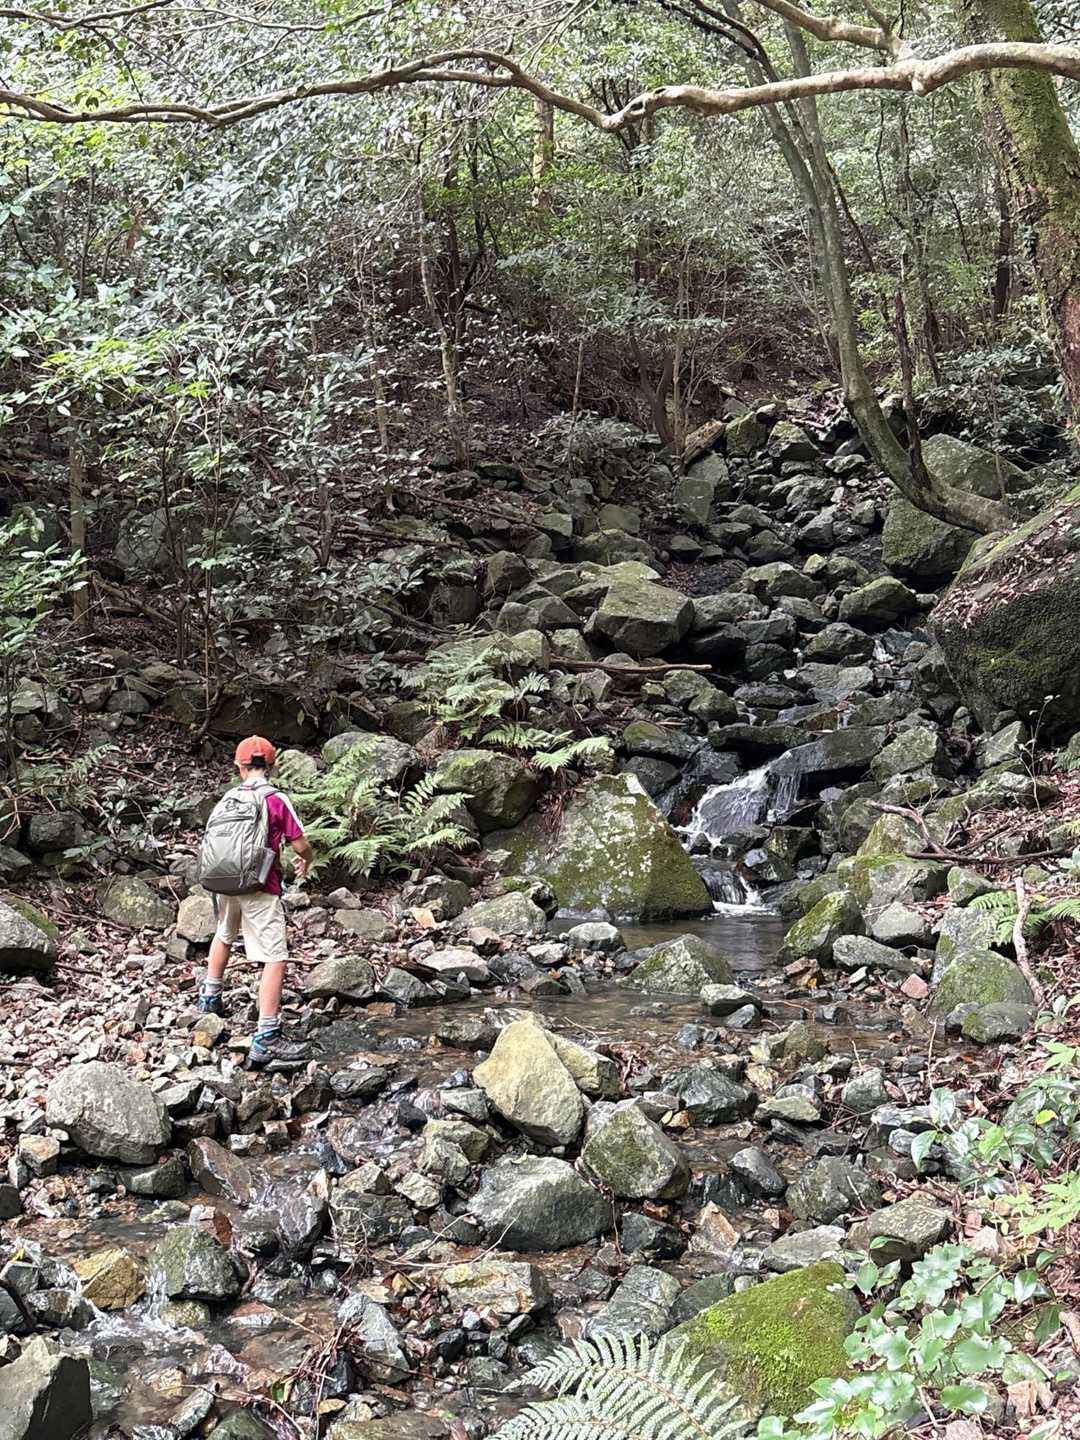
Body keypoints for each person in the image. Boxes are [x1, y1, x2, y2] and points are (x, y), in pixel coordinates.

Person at [198, 735, 314, 1068]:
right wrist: (307, 859)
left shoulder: (228, 798)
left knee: (224, 934)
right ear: (272, 766)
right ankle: (267, 1037)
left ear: (239, 766)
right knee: (275, 956)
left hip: (225, 880)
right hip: (261, 884)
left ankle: (210, 999)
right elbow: (300, 843)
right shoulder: (275, 798)